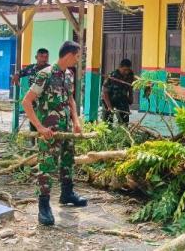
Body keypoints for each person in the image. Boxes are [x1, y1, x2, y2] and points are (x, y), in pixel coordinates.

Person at [21, 41, 88, 226]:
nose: (78, 59)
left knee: (68, 161)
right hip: (49, 132)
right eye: (77, 56)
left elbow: (71, 100)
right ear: (68, 55)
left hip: (65, 130)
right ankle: (43, 206)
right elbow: (26, 102)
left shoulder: (68, 75)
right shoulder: (45, 74)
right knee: (47, 166)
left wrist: (76, 121)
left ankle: (67, 194)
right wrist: (40, 128)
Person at [12, 48, 50, 132]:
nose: (44, 59)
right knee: (33, 124)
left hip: (46, 104)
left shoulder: (50, 70)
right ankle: (33, 143)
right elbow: (20, 72)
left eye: (46, 57)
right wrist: (17, 75)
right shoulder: (31, 68)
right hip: (32, 103)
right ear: (36, 57)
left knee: (46, 125)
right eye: (41, 56)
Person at [102, 59, 135, 126]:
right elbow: (104, 92)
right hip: (109, 99)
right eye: (124, 70)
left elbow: (130, 86)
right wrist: (109, 106)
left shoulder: (130, 74)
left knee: (124, 121)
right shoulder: (112, 75)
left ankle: (123, 132)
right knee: (107, 122)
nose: (126, 72)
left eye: (128, 70)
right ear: (120, 67)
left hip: (122, 99)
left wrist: (130, 97)